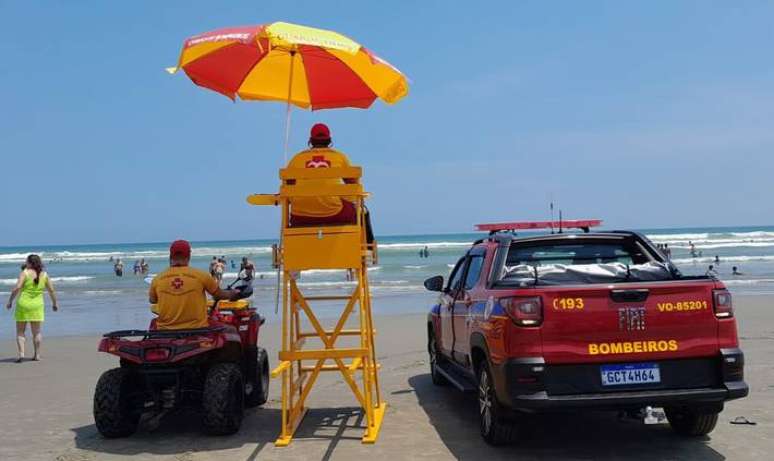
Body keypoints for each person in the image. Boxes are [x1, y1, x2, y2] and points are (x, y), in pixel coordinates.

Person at [285, 123, 374, 243]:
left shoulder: (296, 159)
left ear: (310, 140)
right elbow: (354, 186)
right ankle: (364, 248)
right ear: (329, 140)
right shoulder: (339, 157)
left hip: (300, 216)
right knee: (361, 211)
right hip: (334, 213)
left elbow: (288, 189)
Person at [149, 240, 240, 330]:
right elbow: (219, 294)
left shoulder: (157, 279)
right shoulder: (201, 276)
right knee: (231, 330)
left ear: (170, 256)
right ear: (189, 256)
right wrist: (233, 293)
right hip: (197, 329)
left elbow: (153, 300)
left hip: (165, 330)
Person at [5, 255, 59, 362]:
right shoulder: (44, 275)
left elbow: (17, 287)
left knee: (20, 331)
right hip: (37, 306)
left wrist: (10, 301)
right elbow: (51, 290)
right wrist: (54, 303)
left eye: (27, 261)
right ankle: (37, 355)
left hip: (23, 304)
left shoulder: (24, 273)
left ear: (30, 263)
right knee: (37, 332)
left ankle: (21, 354)